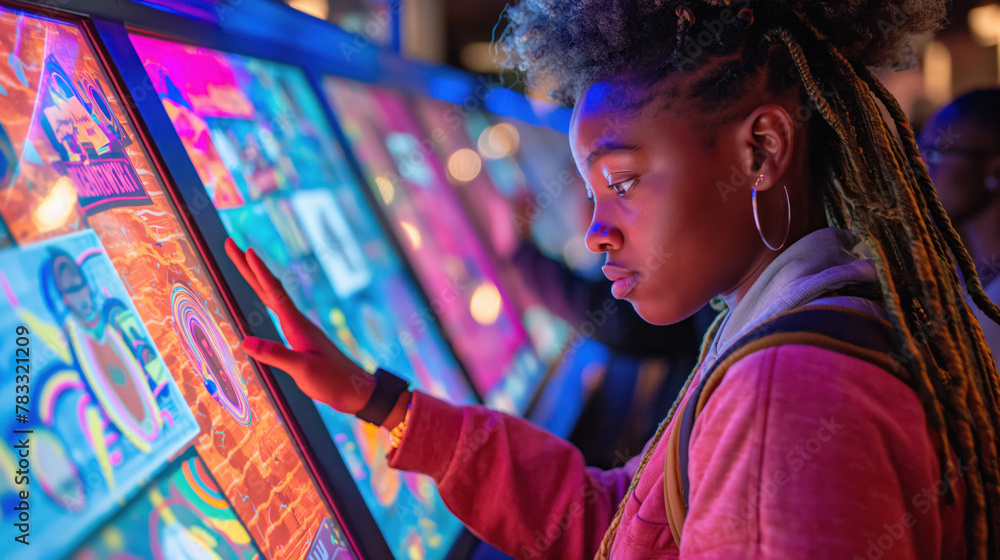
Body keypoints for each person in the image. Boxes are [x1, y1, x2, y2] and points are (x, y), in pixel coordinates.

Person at [225, 0, 1000, 558]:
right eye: (590, 195)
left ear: (760, 151)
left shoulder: (785, 396)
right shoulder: (809, 314)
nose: (596, 230)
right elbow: (623, 520)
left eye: (623, 182)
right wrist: (380, 400)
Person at [920, 89, 1000, 375]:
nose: (921, 169)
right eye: (919, 150)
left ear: (995, 170)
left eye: (936, 153)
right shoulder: (973, 280)